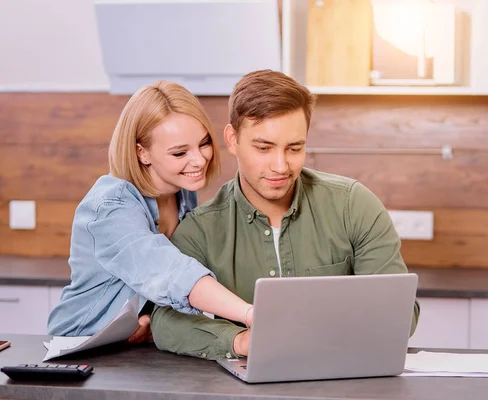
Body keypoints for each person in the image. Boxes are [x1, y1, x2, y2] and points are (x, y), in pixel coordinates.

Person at [150, 70, 420, 359]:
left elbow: (400, 312)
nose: (280, 166)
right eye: (263, 148)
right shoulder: (200, 230)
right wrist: (239, 341)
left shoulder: (352, 205)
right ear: (232, 139)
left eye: (294, 148)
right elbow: (165, 321)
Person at [47, 80, 254, 342]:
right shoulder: (111, 207)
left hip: (131, 343)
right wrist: (250, 314)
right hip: (80, 342)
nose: (200, 160)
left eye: (203, 143)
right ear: (142, 153)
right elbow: (171, 272)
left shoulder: (182, 191)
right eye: (180, 153)